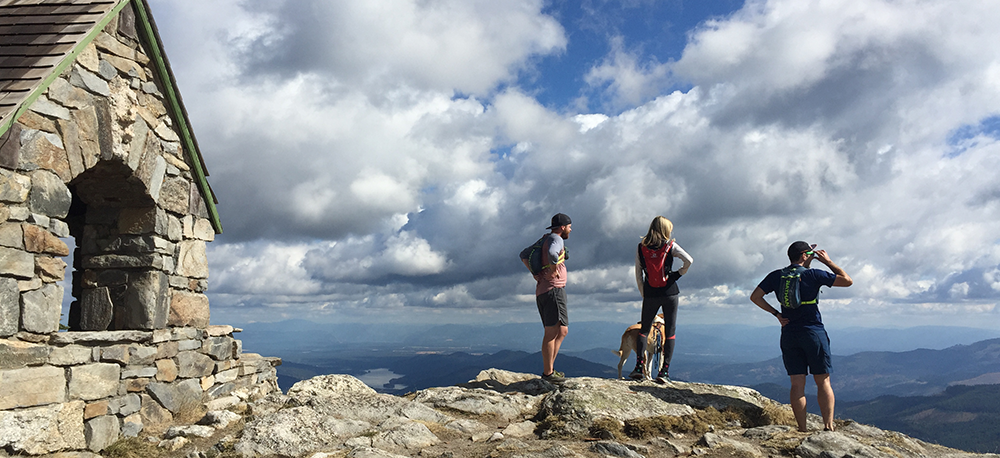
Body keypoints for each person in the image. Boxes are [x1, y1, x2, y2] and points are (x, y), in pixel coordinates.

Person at [750, 241, 853, 432]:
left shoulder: (776, 275)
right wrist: (828, 261)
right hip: (813, 332)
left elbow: (755, 297)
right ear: (804, 255)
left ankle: (802, 429)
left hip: (789, 333)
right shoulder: (813, 274)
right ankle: (828, 427)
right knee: (823, 381)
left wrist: (777, 314)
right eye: (809, 254)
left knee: (797, 384)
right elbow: (847, 280)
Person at [630, 216, 693, 383]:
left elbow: (638, 273)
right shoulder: (670, 245)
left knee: (644, 329)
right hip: (670, 292)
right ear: (666, 229)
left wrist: (644, 293)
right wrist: (678, 274)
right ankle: (664, 372)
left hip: (650, 292)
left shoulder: (641, 247)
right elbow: (689, 260)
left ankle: (638, 368)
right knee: (670, 332)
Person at [520, 213, 572, 382]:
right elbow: (551, 253)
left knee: (562, 330)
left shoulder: (544, 239)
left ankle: (550, 369)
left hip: (545, 291)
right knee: (552, 332)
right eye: (569, 227)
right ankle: (548, 373)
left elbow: (524, 254)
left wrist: (535, 273)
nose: (571, 230)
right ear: (563, 227)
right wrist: (554, 269)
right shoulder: (557, 240)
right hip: (553, 290)